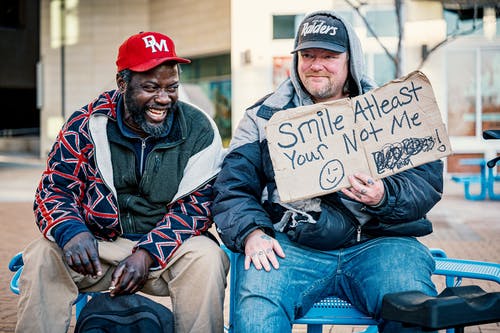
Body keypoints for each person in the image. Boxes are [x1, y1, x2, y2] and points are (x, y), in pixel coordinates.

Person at [213, 10, 443, 333]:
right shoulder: (263, 117)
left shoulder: (390, 108)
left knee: (414, 312)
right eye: (307, 55)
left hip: (382, 244)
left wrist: (383, 196)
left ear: (351, 60)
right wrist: (252, 233)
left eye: (329, 55)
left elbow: (426, 181)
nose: (316, 64)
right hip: (292, 247)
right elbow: (231, 188)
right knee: (256, 309)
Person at [16, 31, 229, 333]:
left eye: (172, 87)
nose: (164, 98)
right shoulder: (86, 124)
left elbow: (197, 206)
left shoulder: (199, 128)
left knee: (208, 258)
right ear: (122, 84)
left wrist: (148, 252)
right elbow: (55, 190)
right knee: (41, 255)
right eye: (151, 87)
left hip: (166, 249)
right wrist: (71, 232)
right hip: (98, 248)